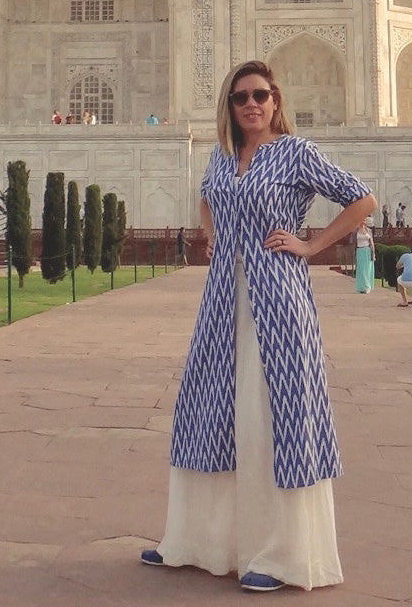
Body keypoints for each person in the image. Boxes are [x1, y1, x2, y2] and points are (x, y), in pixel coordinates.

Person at [142, 59, 376, 593]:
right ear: (230, 105)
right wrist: (215, 234)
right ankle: (196, 541)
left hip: (279, 298)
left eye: (261, 95)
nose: (251, 104)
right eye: (241, 97)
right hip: (224, 297)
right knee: (211, 410)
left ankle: (280, 554)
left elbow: (362, 199)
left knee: (273, 417)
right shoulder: (224, 156)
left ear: (276, 101)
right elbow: (206, 198)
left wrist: (312, 245)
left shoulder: (295, 153)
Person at [353, 219, 375, 293]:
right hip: (360, 250)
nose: (363, 221)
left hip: (367, 251)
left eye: (364, 220)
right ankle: (361, 287)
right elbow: (352, 241)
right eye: (362, 219)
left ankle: (367, 287)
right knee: (361, 269)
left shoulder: (368, 230)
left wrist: (373, 253)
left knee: (367, 269)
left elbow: (372, 242)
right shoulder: (355, 231)